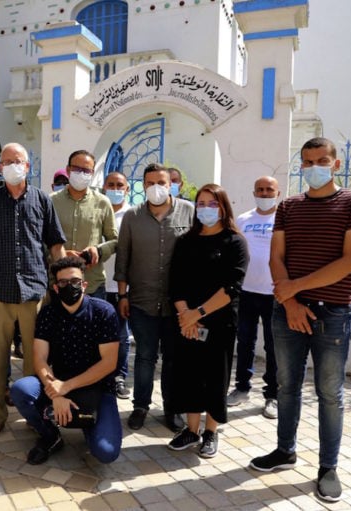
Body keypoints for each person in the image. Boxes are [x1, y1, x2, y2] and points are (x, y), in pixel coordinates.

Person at [249, 137, 351, 503]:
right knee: (286, 387)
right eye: (306, 162)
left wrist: (292, 290)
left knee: (329, 394)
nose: (313, 167)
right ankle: (284, 450)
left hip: (332, 312)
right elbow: (277, 257)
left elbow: (349, 261)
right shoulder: (288, 206)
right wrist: (289, 303)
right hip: (287, 310)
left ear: (335, 164)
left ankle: (327, 467)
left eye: (321, 160)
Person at [0, 142, 66, 442]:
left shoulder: (41, 200)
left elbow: (55, 244)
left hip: (35, 294)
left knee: (35, 361)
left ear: (28, 166)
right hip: (0, 293)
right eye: (6, 161)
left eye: (18, 160)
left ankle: (34, 415)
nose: (12, 165)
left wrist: (63, 284)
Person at [10, 256, 121, 465]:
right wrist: (56, 392)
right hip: (59, 382)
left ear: (84, 285)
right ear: (56, 287)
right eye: (63, 283)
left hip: (97, 388)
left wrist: (65, 387)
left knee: (106, 452)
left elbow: (109, 363)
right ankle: (50, 436)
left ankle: (89, 423)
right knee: (21, 389)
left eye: (75, 282)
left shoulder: (103, 312)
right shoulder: (48, 314)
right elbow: (40, 358)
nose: (69, 286)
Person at [167, 183, 249, 458]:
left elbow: (231, 287)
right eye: (200, 203)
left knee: (216, 377)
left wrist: (196, 314)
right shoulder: (185, 241)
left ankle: (211, 432)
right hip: (188, 322)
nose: (205, 209)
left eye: (212, 204)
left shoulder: (235, 242)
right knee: (189, 375)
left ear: (224, 208)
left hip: (219, 322)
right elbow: (175, 282)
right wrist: (185, 316)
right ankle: (191, 430)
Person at [114, 163, 194, 432]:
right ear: (143, 185)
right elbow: (123, 258)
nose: (156, 188)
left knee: (173, 358)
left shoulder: (189, 212)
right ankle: (140, 406)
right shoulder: (132, 216)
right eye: (149, 183)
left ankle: (172, 409)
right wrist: (122, 295)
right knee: (145, 357)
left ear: (171, 183)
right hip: (141, 301)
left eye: (161, 182)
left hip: (177, 305)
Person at [227, 176, 281, 419]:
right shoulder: (243, 219)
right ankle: (241, 388)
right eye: (260, 189)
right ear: (253, 191)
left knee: (273, 346)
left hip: (274, 293)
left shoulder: (283, 219)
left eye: (269, 189)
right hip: (246, 292)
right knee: (245, 342)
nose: (264, 193)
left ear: (278, 193)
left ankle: (273, 396)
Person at [51, 149, 118, 299]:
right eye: (77, 169)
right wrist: (61, 255)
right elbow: (40, 241)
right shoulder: (51, 201)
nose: (81, 174)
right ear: (68, 169)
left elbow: (115, 240)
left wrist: (98, 251)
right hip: (58, 283)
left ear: (92, 173)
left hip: (92, 284)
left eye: (86, 170)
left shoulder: (102, 202)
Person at [102, 171, 132, 399]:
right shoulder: (98, 210)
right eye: (110, 184)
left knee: (122, 336)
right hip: (98, 284)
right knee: (98, 335)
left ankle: (119, 376)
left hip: (123, 287)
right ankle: (100, 376)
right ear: (103, 187)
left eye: (119, 185)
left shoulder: (132, 215)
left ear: (127, 189)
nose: (115, 188)